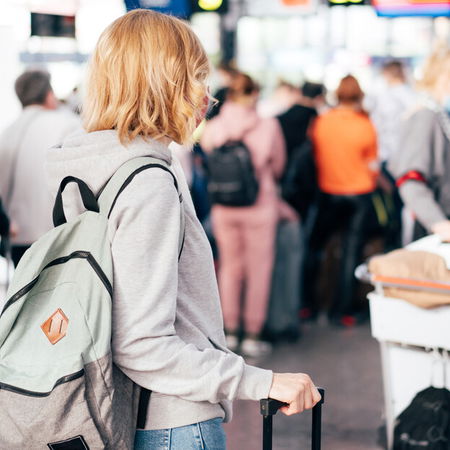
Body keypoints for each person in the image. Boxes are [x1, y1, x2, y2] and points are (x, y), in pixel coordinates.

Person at [46, 10, 321, 450]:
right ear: (166, 84)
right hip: (172, 422)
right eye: (196, 78)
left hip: (115, 412)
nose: (207, 96)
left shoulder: (83, 164)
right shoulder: (149, 179)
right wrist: (259, 381)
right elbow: (142, 343)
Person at [200, 73, 288, 358]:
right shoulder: (268, 125)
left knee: (229, 268)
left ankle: (229, 332)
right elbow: (277, 167)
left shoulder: (213, 127)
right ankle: (252, 334)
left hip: (224, 207)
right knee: (258, 269)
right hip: (259, 205)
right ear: (255, 94)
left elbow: (207, 161)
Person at [303, 75, 379, 325]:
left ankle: (308, 306)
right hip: (360, 195)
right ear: (359, 96)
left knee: (314, 247)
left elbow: (314, 156)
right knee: (351, 252)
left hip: (328, 193)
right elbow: (373, 167)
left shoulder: (322, 122)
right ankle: (343, 312)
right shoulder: (365, 125)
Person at [0, 70, 80, 266]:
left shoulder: (7, 133)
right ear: (49, 95)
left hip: (16, 237)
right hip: (56, 236)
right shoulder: (68, 125)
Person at [389, 46, 450, 241]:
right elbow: (410, 180)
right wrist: (438, 223)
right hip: (433, 228)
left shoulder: (437, 114)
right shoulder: (426, 116)